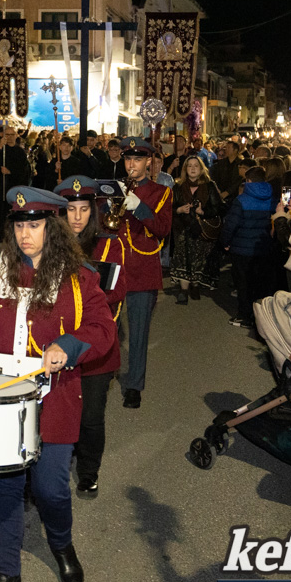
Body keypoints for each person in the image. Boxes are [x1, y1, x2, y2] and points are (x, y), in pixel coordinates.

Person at [0, 187, 116, 582]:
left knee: (50, 489)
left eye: (35, 225)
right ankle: (7, 573)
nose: (25, 234)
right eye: (19, 226)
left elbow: (103, 328)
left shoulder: (79, 276)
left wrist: (69, 346)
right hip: (5, 398)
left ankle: (61, 544)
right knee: (6, 488)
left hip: (56, 396)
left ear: (52, 227)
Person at [54, 176, 127, 500]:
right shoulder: (48, 245)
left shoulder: (109, 244)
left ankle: (88, 473)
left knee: (91, 417)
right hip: (56, 341)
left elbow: (118, 291)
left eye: (84, 209)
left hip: (96, 346)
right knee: (56, 412)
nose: (78, 217)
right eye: (71, 210)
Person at [114, 136, 172, 409]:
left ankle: (134, 385)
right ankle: (104, 373)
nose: (131, 164)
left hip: (142, 267)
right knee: (107, 327)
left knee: (138, 334)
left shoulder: (161, 192)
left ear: (148, 162)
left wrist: (139, 207)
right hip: (114, 267)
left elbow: (162, 228)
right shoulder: (114, 189)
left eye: (137, 159)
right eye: (128, 159)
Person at [219, 166, 274, 331]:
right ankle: (260, 317)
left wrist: (225, 242)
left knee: (243, 284)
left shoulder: (241, 200)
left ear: (248, 181)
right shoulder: (272, 198)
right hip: (263, 247)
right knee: (259, 283)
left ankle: (244, 316)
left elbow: (231, 225)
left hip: (242, 249)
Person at [172, 154, 223, 302]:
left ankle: (195, 285)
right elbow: (170, 207)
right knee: (183, 258)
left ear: (201, 168)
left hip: (202, 229)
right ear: (185, 169)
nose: (193, 169)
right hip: (183, 228)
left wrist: (203, 212)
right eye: (189, 166)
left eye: (196, 166)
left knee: (198, 259)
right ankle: (183, 290)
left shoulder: (209, 185)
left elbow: (219, 208)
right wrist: (179, 210)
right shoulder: (178, 186)